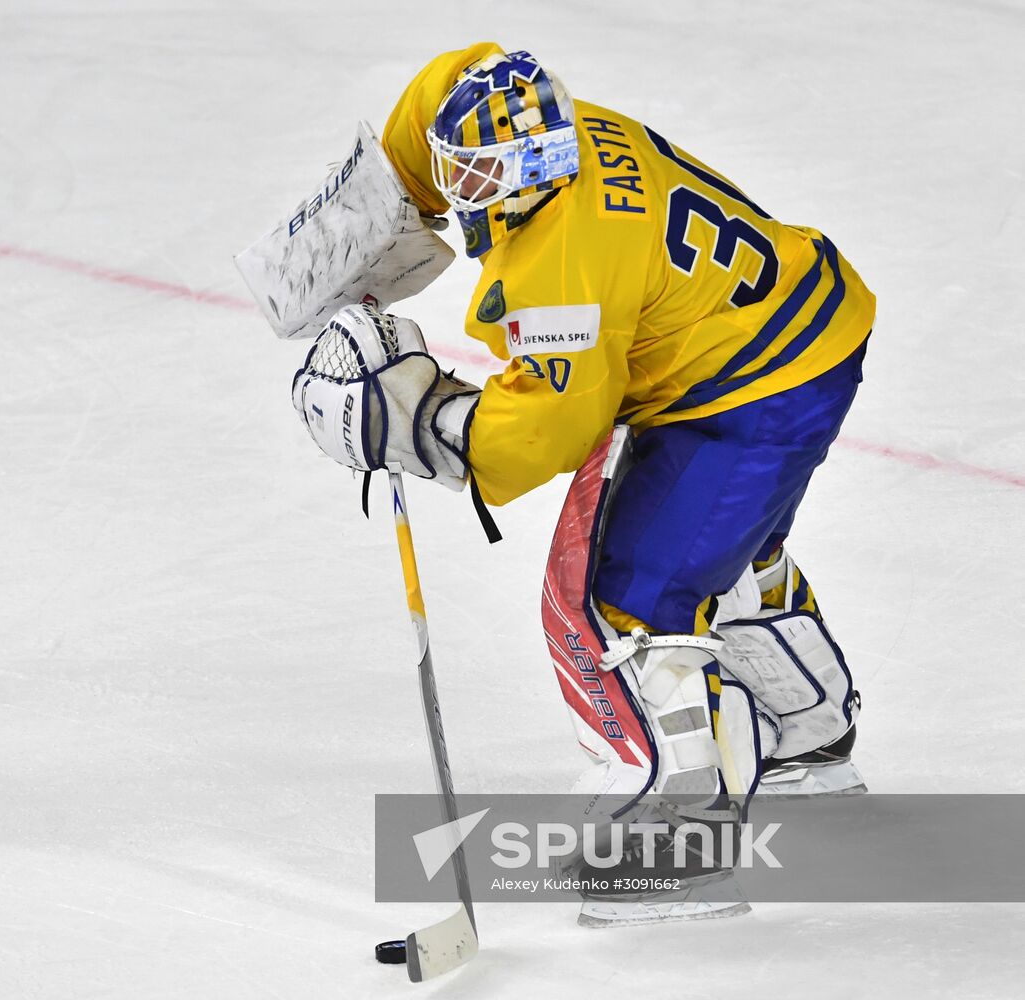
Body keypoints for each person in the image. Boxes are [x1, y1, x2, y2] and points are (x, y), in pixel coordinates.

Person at [291, 43, 874, 914]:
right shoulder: (542, 124)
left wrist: (417, 420)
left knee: (630, 599)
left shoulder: (567, 262)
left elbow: (547, 431)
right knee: (731, 554)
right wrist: (378, 211)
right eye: (460, 172)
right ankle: (806, 733)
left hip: (749, 392)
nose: (468, 191)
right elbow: (445, 100)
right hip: (793, 324)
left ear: (533, 174)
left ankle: (685, 835)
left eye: (488, 180)